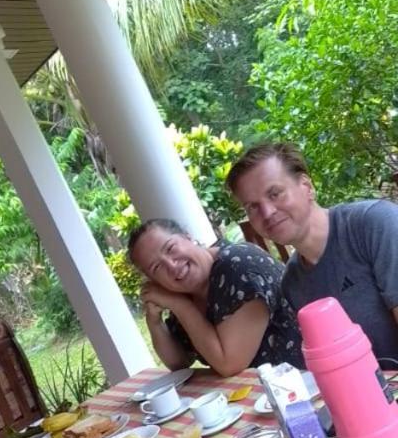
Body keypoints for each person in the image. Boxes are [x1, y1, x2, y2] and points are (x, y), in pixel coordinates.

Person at [226, 141, 398, 367]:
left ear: (307, 186)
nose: (267, 212)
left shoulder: (374, 224)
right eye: (253, 207)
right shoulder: (292, 283)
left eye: (275, 193)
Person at [128, 218, 304, 376]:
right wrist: (154, 321)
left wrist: (181, 306)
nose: (172, 266)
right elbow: (179, 363)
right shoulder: (185, 291)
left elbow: (229, 364)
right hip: (260, 395)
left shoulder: (238, 265)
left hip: (307, 384)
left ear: (187, 237)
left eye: (170, 248)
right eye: (156, 268)